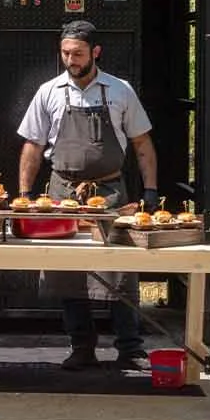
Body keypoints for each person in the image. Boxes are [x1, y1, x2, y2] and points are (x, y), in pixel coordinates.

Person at [16, 20, 160, 372]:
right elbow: (33, 146)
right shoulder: (48, 91)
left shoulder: (120, 90)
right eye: (65, 53)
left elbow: (142, 144)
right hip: (62, 192)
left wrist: (151, 190)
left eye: (78, 53)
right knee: (70, 272)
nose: (70, 59)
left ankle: (130, 348)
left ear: (95, 52)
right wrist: (25, 195)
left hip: (111, 193)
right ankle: (81, 346)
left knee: (121, 271)